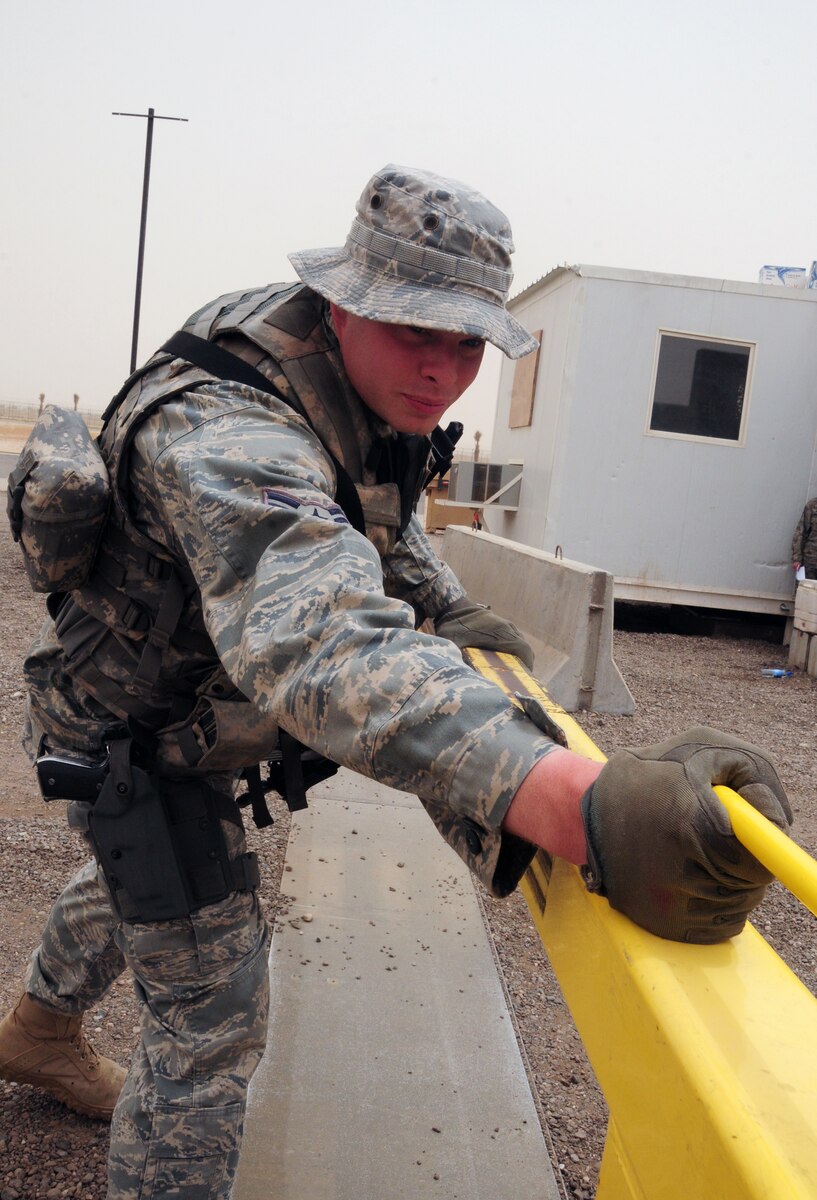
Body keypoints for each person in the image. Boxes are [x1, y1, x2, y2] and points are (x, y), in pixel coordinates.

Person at [0, 164, 792, 1198]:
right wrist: (585, 806)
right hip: (128, 731)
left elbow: (376, 503)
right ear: (346, 302)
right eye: (417, 331)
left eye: (468, 341)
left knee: (140, 883)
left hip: (195, 699)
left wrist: (450, 611)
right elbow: (322, 646)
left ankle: (35, 1033)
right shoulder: (225, 428)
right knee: (209, 1025)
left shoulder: (346, 374)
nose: (442, 369)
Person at [791, 495, 817, 580]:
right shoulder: (812, 505)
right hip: (811, 563)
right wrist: (796, 558)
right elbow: (801, 532)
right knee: (806, 591)